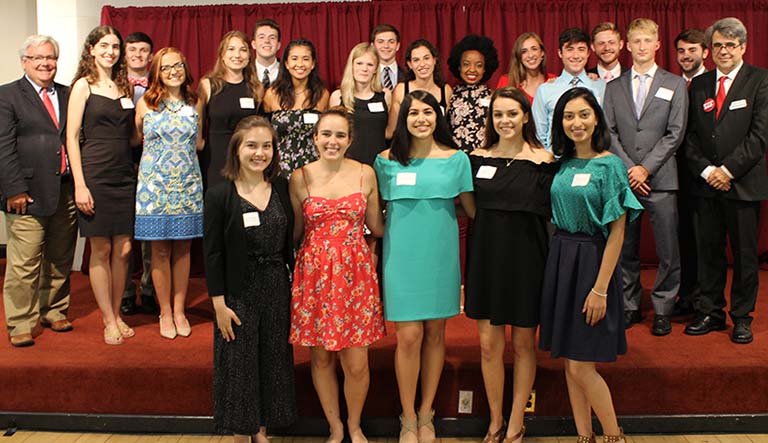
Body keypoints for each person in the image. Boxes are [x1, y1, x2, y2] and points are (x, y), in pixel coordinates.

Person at [540, 87, 642, 443]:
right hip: (561, 259)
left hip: (592, 262)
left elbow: (617, 233)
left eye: (583, 114)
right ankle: (585, 435)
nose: (576, 123)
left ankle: (614, 435)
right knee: (570, 360)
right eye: (568, 116)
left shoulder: (610, 164)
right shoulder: (562, 163)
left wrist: (600, 289)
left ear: (596, 117)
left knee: (583, 365)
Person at [374, 90, 475, 443]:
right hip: (401, 257)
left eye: (428, 112)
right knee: (408, 336)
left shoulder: (457, 159)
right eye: (413, 112)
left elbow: (472, 210)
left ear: (438, 117)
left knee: (435, 334)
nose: (421, 118)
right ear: (403, 119)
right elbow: (375, 214)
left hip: (440, 256)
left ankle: (426, 413)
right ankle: (406, 417)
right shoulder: (385, 161)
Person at [464, 87, 556, 443]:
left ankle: (517, 420)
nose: (505, 121)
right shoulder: (475, 158)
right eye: (498, 115)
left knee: (522, 345)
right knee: (489, 346)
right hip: (487, 257)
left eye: (512, 114)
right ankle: (495, 419)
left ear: (525, 117)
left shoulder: (544, 160)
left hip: (528, 258)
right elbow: (471, 208)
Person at [289, 108, 386, 443]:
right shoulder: (300, 177)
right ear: (315, 138)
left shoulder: (365, 174)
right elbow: (297, 232)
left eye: (340, 135)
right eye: (326, 134)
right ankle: (335, 426)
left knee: (357, 359)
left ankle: (355, 424)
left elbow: (376, 226)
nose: (333, 141)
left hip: (355, 272)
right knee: (321, 356)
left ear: (350, 140)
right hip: (314, 272)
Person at [204, 115, 297, 443]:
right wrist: (218, 303)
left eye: (267, 146)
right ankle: (241, 434)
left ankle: (261, 430)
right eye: (252, 145)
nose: (260, 153)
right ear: (237, 149)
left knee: (272, 360)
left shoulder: (283, 188)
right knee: (239, 364)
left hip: (275, 285)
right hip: (237, 292)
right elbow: (212, 253)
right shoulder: (219, 195)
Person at [683, 17, 768, 344]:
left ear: (743, 47)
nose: (723, 51)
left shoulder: (760, 80)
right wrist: (707, 171)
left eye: (730, 45)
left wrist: (727, 171)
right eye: (717, 45)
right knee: (709, 252)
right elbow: (689, 137)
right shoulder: (700, 84)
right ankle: (710, 311)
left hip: (743, 185)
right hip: (705, 186)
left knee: (746, 256)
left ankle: (742, 316)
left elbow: (760, 137)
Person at [602, 18, 688, 336]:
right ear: (627, 45)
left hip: (661, 178)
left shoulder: (675, 84)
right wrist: (629, 169)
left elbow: (675, 133)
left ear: (657, 44)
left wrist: (645, 168)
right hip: (624, 179)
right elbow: (609, 133)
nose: (641, 47)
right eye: (635, 41)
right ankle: (629, 305)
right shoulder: (614, 88)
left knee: (668, 248)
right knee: (626, 247)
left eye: (646, 41)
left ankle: (664, 307)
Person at [0, 35, 77, 347]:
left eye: (51, 58)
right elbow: (3, 147)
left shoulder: (69, 94)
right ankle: (20, 321)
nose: (46, 63)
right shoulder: (7, 96)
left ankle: (54, 309)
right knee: (24, 263)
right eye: (38, 58)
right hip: (26, 194)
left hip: (65, 190)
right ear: (24, 62)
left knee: (60, 257)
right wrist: (13, 189)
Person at [66, 25, 136, 345]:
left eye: (115, 47)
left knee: (123, 249)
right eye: (104, 46)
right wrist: (80, 185)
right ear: (91, 49)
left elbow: (133, 136)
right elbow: (71, 137)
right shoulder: (83, 86)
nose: (110, 52)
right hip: (94, 175)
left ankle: (118, 312)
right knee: (102, 248)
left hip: (125, 176)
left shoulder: (124, 86)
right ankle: (108, 318)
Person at [134, 47, 204, 339]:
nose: (173, 71)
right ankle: (164, 311)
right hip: (154, 186)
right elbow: (137, 137)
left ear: (185, 69)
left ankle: (179, 310)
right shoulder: (145, 104)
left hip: (187, 184)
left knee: (183, 249)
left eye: (178, 65)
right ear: (157, 73)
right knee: (159, 250)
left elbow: (199, 142)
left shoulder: (195, 101)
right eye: (166, 67)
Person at [121, 31, 157, 317]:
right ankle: (123, 293)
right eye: (132, 50)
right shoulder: (113, 84)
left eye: (143, 50)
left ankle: (148, 289)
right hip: (120, 163)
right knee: (123, 234)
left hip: (154, 166)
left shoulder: (159, 85)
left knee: (149, 233)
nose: (137, 55)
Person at [673, 28, 709, 316]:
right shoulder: (673, 84)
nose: (686, 56)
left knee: (704, 239)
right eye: (682, 51)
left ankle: (704, 300)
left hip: (707, 175)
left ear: (704, 52)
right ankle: (685, 296)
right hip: (675, 173)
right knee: (682, 236)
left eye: (692, 50)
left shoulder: (711, 83)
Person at [199, 30, 263, 189]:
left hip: (247, 159)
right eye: (231, 49)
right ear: (222, 55)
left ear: (249, 56)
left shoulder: (256, 88)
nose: (237, 55)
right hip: (216, 159)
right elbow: (197, 127)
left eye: (243, 50)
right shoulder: (208, 85)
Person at [263, 38, 330, 175]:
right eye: (294, 59)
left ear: (313, 64)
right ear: (286, 63)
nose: (300, 64)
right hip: (279, 168)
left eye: (305, 59)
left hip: (313, 168)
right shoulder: (272, 94)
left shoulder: (322, 95)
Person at [532, 28, 605, 150]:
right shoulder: (545, 90)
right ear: (560, 53)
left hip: (592, 159)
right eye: (569, 49)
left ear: (588, 53)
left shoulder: (601, 87)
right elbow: (538, 134)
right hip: (555, 161)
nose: (575, 56)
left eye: (581, 49)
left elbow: (606, 128)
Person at [329, 42, 391, 165]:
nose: (364, 69)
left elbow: (389, 133)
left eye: (370, 64)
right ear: (351, 66)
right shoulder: (337, 97)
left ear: (375, 69)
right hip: (347, 165)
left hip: (379, 164)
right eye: (359, 63)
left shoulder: (386, 95)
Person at [386, 39, 452, 140]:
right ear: (410, 64)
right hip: (409, 150)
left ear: (434, 60)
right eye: (416, 60)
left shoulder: (446, 90)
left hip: (438, 149)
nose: (422, 64)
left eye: (426, 58)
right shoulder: (401, 90)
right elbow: (391, 131)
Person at [446, 34, 499, 152]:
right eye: (466, 64)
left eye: (479, 65)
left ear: (485, 69)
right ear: (459, 67)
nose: (472, 69)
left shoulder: (494, 96)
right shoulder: (449, 95)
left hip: (485, 156)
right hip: (456, 158)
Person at [496, 32, 556, 104]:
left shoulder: (554, 81)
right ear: (519, 57)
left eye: (534, 49)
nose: (530, 55)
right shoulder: (506, 81)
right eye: (524, 51)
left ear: (542, 53)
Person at [371, 24, 405, 91]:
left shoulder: (409, 76)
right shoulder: (366, 75)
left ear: (397, 46)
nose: (386, 46)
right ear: (373, 46)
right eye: (380, 42)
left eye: (391, 42)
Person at [252, 19, 281, 88]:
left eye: (272, 38)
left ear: (278, 45)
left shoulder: (288, 71)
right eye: (261, 37)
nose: (267, 41)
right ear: (254, 44)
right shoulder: (244, 71)